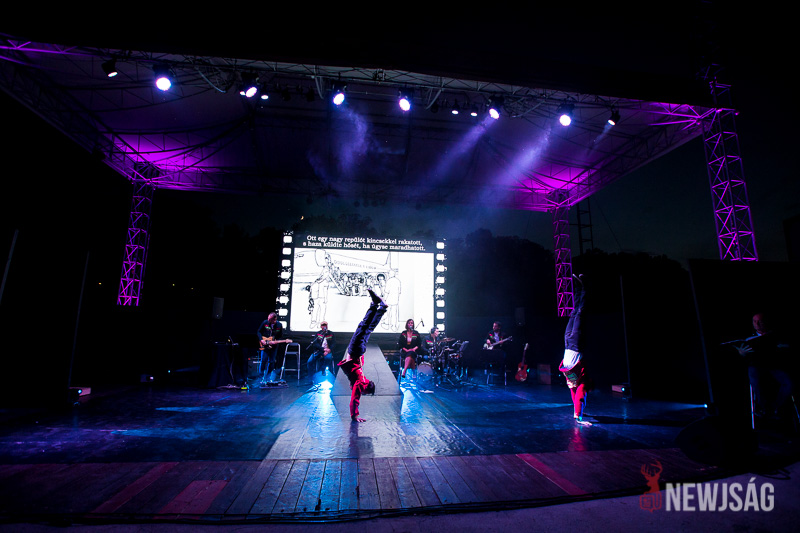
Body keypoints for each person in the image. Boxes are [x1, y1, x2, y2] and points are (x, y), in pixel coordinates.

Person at [733, 312, 794, 419]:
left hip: (775, 365)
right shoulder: (749, 338)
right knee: (753, 374)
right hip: (756, 365)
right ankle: (763, 407)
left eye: (760, 321)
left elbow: (789, 346)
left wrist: (781, 347)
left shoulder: (776, 334)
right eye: (754, 321)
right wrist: (742, 353)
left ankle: (773, 407)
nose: (757, 324)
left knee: (789, 383)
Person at [337, 290, 385, 422]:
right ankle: (374, 304)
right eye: (366, 393)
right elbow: (354, 400)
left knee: (368, 328)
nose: (363, 394)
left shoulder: (362, 380)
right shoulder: (361, 384)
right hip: (355, 350)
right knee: (363, 326)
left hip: (359, 352)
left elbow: (356, 372)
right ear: (367, 389)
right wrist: (355, 416)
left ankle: (382, 308)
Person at [558, 274, 593, 425]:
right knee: (577, 314)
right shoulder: (579, 383)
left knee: (575, 314)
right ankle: (583, 287)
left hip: (569, 345)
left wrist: (578, 414)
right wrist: (578, 415)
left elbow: (576, 398)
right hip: (572, 345)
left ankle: (579, 288)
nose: (571, 386)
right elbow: (578, 397)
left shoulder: (575, 382)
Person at [256, 312, 288, 384]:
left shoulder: (279, 325)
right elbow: (259, 332)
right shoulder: (265, 322)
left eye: (270, 319)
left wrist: (276, 340)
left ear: (274, 319)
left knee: (272, 361)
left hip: (274, 346)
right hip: (265, 344)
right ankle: (261, 377)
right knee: (263, 360)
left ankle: (268, 377)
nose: (268, 320)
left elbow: (280, 335)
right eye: (268, 319)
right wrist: (261, 340)